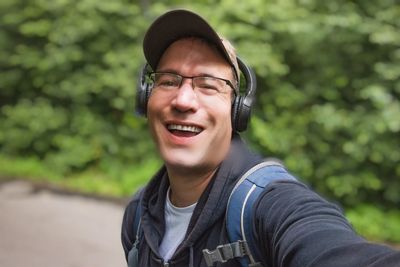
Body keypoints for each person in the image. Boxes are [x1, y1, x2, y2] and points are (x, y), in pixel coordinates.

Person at [121, 9, 400, 267]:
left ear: (237, 110)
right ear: (146, 98)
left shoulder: (269, 207)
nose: (183, 100)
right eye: (168, 81)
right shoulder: (137, 219)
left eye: (208, 85)